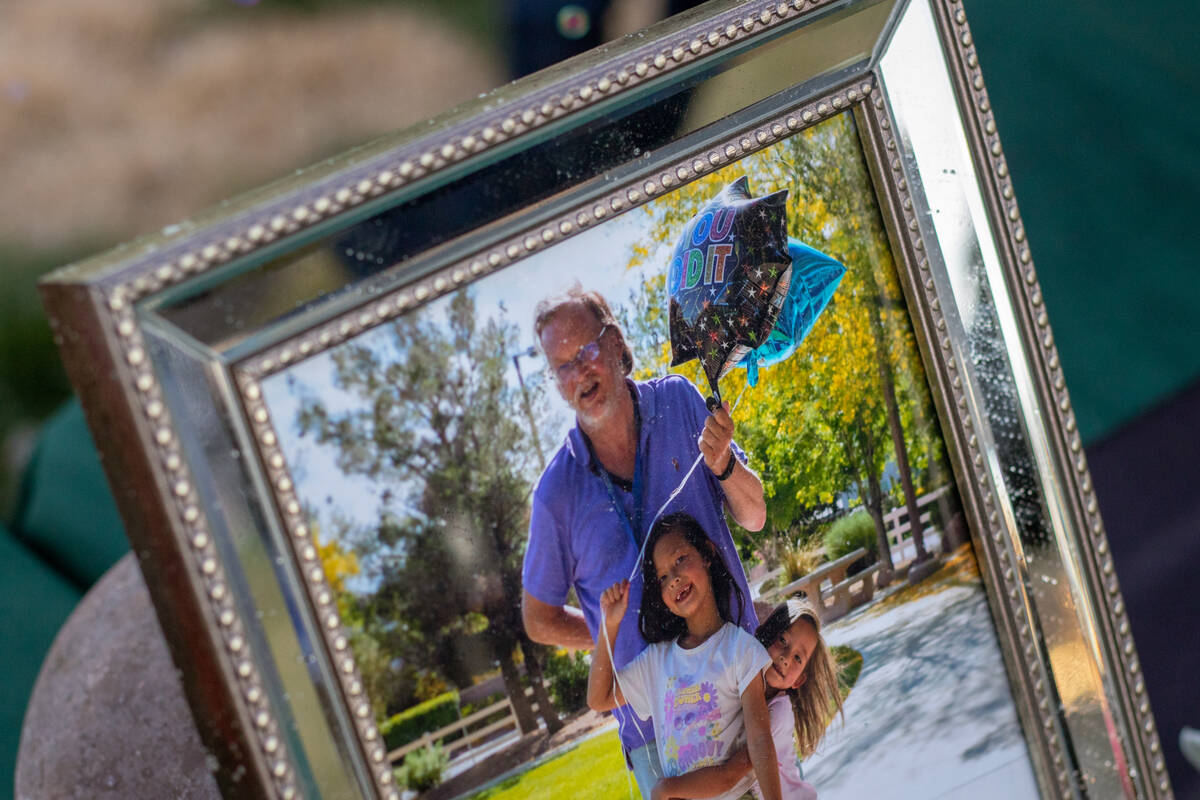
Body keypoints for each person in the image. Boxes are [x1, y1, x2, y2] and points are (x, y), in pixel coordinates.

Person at [522, 287, 767, 798]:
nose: (578, 373)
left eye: (585, 351)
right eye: (561, 366)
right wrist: (611, 637)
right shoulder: (555, 494)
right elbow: (538, 619)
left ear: (614, 343)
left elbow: (755, 514)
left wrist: (724, 463)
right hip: (656, 739)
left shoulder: (678, 401)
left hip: (746, 695)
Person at [587, 513, 782, 800]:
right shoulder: (657, 661)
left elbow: (760, 739)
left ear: (706, 554)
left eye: (680, 560)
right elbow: (598, 698)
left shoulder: (740, 649)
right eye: (663, 577)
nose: (674, 579)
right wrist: (610, 625)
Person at [648, 598, 845, 800]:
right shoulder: (743, 686)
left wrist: (667, 789)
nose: (786, 657)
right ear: (767, 633)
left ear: (799, 680)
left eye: (797, 658)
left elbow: (731, 774)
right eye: (783, 640)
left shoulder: (778, 714)